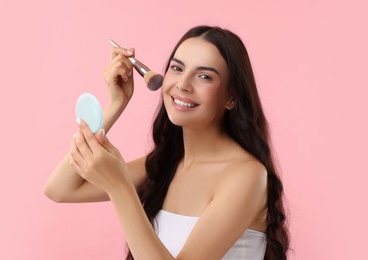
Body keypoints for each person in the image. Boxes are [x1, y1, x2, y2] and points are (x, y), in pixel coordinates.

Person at [44, 25, 289, 260]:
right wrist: (117, 103)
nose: (183, 84)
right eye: (177, 68)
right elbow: (60, 188)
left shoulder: (246, 175)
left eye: (204, 76)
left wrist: (119, 187)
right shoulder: (166, 165)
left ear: (231, 98)